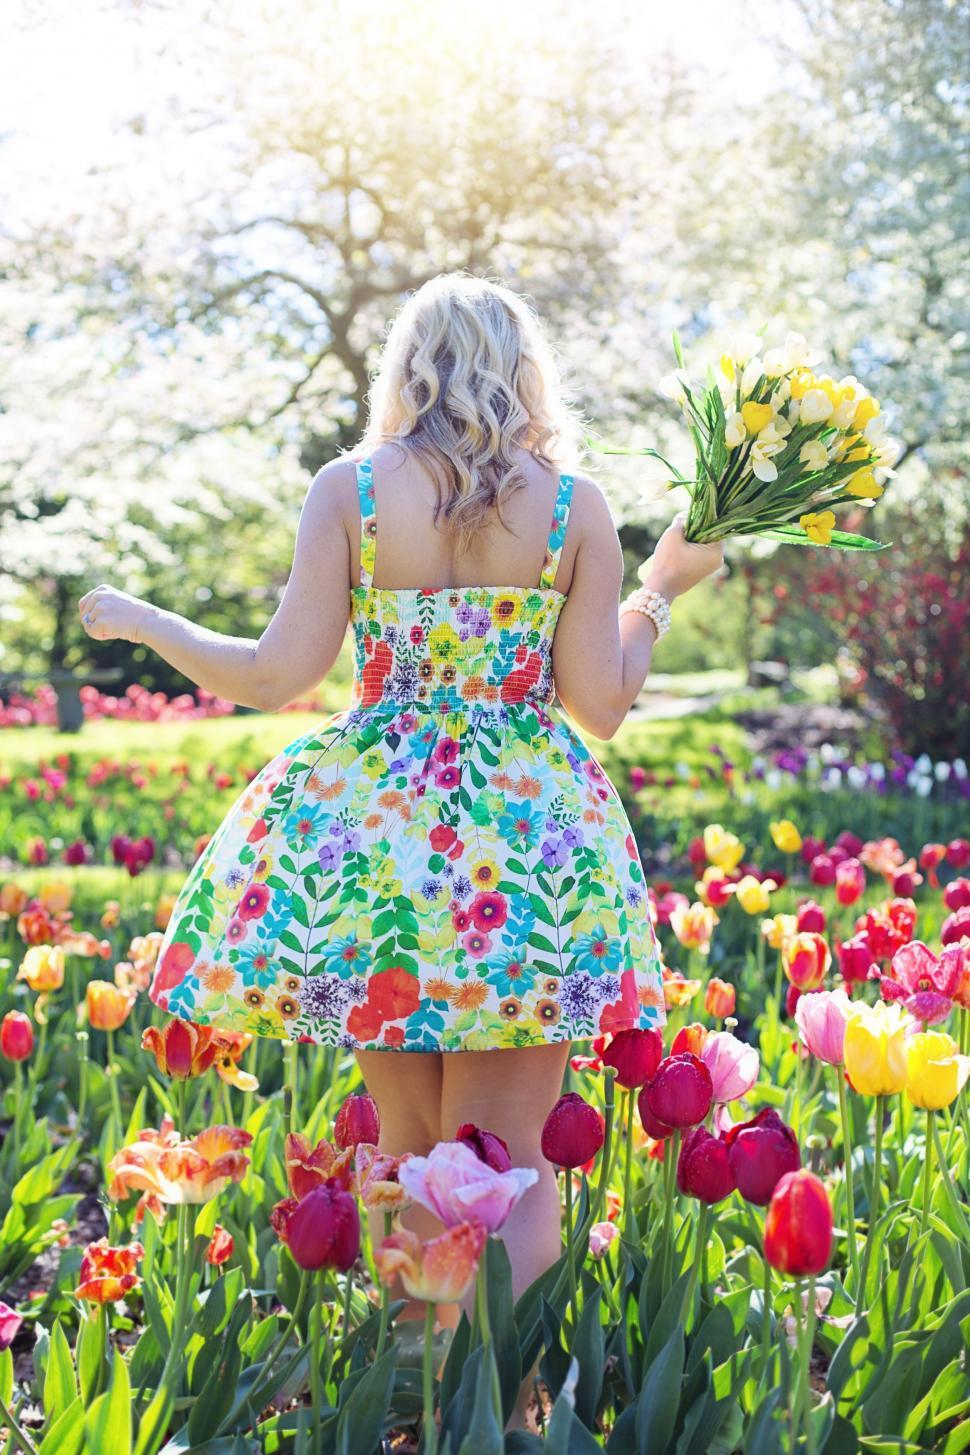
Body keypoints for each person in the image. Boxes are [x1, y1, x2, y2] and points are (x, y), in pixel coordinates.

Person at [78, 270, 722, 1425]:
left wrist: (148, 622)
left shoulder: (354, 491)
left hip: (376, 859)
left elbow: (280, 676)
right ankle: (508, 1410)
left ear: (406, 368)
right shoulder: (574, 509)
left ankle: (426, 1405)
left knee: (417, 1142)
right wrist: (663, 587)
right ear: (524, 369)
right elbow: (600, 702)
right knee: (508, 1149)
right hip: (526, 850)